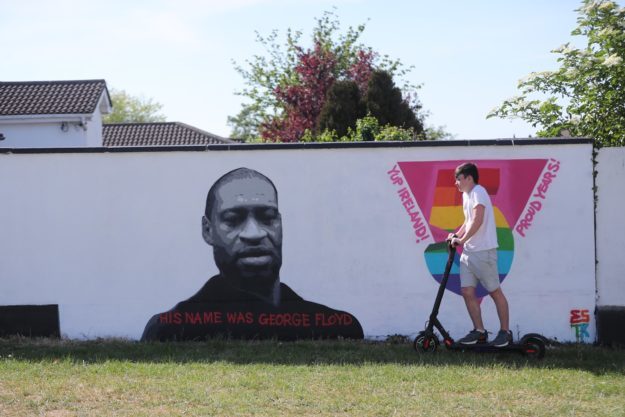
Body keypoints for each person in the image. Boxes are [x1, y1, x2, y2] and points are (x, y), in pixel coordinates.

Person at [141, 167, 363, 341]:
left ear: (280, 224)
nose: (254, 234)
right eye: (233, 219)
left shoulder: (335, 326)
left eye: (267, 217)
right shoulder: (170, 328)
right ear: (208, 231)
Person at [448, 162, 512, 347]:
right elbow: (468, 221)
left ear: (469, 178)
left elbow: (478, 219)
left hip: (484, 252)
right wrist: (456, 235)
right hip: (469, 253)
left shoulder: (478, 192)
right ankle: (479, 331)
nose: (456, 183)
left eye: (458, 179)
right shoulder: (467, 195)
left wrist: (462, 239)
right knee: (467, 292)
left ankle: (505, 333)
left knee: (494, 292)